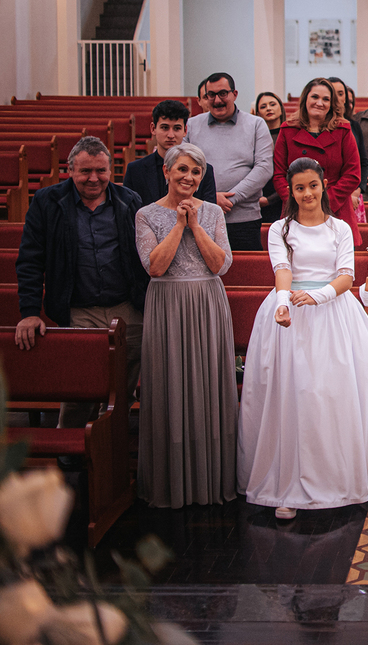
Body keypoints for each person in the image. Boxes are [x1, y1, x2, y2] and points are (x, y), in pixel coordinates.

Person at [238, 157, 368, 519]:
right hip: (290, 316)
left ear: (323, 185)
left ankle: (342, 473)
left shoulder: (340, 229)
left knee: (331, 392)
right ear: (291, 191)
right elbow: (282, 270)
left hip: (333, 313)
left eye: (313, 185)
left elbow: (346, 275)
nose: (307, 193)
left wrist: (318, 296)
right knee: (293, 395)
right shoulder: (281, 230)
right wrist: (284, 303)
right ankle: (288, 484)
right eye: (299, 188)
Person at [14, 137, 147, 428]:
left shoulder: (129, 200)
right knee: (80, 388)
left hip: (126, 307)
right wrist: (29, 312)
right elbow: (30, 261)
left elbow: (145, 257)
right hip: (78, 308)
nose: (94, 178)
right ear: (70, 170)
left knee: (121, 391)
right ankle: (70, 451)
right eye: (85, 171)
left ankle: (108, 450)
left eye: (101, 170)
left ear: (112, 171)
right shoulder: (48, 202)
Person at [135, 143, 237, 508]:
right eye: (181, 169)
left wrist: (196, 224)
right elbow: (155, 266)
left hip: (207, 302)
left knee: (209, 385)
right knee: (170, 385)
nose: (189, 177)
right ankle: (171, 482)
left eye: (195, 172)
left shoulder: (212, 213)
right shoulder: (145, 214)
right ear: (166, 172)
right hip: (167, 305)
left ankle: (212, 479)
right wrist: (179, 225)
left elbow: (220, 265)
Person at [185, 72, 274, 251]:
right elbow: (182, 167)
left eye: (223, 93)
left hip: (244, 220)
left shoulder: (256, 124)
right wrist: (210, 197)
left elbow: (264, 168)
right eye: (211, 95)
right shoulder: (192, 125)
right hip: (201, 217)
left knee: (245, 276)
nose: (217, 100)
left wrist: (232, 198)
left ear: (235, 94)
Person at [273, 77, 363, 246]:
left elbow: (353, 174)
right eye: (315, 97)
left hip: (335, 211)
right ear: (305, 99)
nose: (319, 103)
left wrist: (323, 203)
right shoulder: (287, 130)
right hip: (297, 212)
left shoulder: (343, 130)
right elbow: (279, 175)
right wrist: (299, 203)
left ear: (332, 104)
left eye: (326, 99)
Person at [123, 100, 217, 207]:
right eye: (165, 128)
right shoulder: (135, 170)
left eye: (177, 128)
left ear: (185, 130)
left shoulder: (205, 170)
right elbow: (129, 213)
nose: (171, 135)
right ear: (153, 129)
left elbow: (209, 214)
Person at [327, 76, 368, 220]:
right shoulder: (318, 126)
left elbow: (362, 161)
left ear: (346, 98)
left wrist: (356, 191)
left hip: (352, 193)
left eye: (340, 93)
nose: (336, 98)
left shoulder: (353, 125)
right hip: (327, 195)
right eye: (332, 93)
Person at [252, 91, 285, 223]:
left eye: (272, 104)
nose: (269, 108)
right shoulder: (252, 137)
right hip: (257, 198)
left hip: (282, 197)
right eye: (263, 106)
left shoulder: (289, 134)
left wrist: (271, 199)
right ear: (258, 113)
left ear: (281, 109)